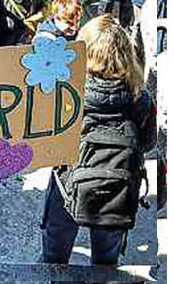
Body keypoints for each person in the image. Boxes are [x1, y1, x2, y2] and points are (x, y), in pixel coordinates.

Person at [39, 15, 155, 280]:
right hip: (118, 189)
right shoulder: (140, 96)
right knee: (105, 260)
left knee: (54, 255)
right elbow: (148, 144)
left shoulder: (66, 89)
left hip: (67, 183)